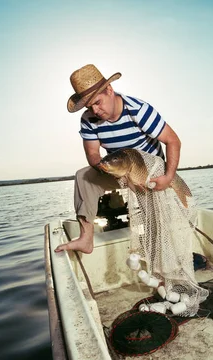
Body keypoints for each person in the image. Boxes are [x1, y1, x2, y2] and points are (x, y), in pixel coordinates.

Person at [54, 64, 182, 254]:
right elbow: (93, 155)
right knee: (83, 177)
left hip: (150, 173)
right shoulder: (88, 119)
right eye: (90, 106)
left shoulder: (139, 110)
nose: (95, 110)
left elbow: (173, 141)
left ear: (110, 90)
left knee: (157, 227)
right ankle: (86, 239)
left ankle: (165, 255)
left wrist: (169, 176)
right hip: (118, 169)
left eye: (97, 102)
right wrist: (117, 174)